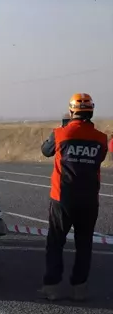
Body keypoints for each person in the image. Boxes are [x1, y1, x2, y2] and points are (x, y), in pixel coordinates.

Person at [40, 93, 108, 301]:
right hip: (89, 200)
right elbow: (100, 158)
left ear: (71, 112)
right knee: (84, 244)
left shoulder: (59, 133)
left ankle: (51, 287)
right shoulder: (101, 138)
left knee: (56, 243)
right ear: (91, 111)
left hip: (63, 198)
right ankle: (80, 287)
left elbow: (45, 151)